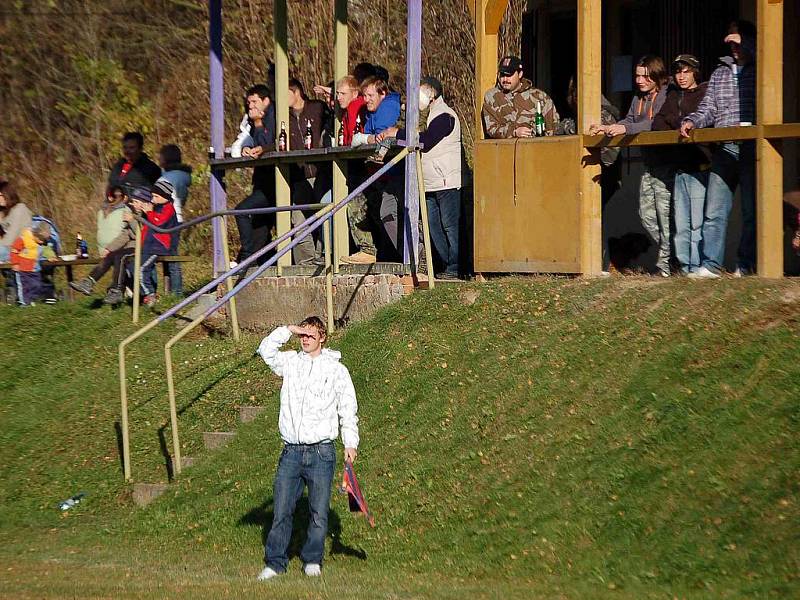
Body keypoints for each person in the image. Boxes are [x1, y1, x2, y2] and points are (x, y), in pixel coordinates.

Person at [255, 316, 359, 581]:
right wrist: (288, 330)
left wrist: (350, 443)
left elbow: (347, 408)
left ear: (322, 337)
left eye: (310, 335)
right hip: (291, 451)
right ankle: (275, 563)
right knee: (281, 509)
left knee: (318, 511)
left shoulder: (336, 369)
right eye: (302, 335)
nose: (305, 339)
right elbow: (265, 350)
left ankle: (313, 559)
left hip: (322, 452)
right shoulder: (290, 362)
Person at [682, 22, 757, 279]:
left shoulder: (761, 68)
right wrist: (692, 121)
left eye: (740, 42)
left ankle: (746, 265)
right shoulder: (720, 72)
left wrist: (746, 41)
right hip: (724, 147)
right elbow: (708, 108)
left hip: (752, 147)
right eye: (732, 43)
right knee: (714, 210)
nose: (735, 48)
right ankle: (711, 264)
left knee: (751, 210)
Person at [592, 55, 670, 275]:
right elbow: (629, 121)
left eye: (645, 76)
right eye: (637, 76)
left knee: (665, 217)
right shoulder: (638, 98)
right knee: (647, 215)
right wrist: (609, 127)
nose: (639, 80)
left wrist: (625, 129)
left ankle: (667, 265)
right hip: (650, 164)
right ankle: (669, 257)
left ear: (656, 76)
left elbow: (655, 123)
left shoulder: (665, 94)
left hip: (668, 164)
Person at [380, 77, 462, 279]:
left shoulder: (445, 116)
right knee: (433, 228)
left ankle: (456, 267)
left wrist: (396, 133)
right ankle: (445, 266)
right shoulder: (425, 118)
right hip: (429, 182)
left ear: (432, 95)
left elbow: (426, 140)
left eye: (420, 93)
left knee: (450, 227)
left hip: (446, 182)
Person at [652, 55, 709, 275]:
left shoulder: (704, 92)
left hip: (699, 163)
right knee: (681, 223)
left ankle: (696, 266)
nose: (681, 76)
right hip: (679, 165)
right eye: (678, 72)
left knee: (697, 222)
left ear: (695, 71)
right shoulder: (673, 94)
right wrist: (679, 123)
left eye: (686, 71)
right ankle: (685, 267)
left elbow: (704, 117)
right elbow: (658, 122)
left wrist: (683, 121)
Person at [350, 76, 403, 260]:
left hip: (395, 172)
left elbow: (382, 136)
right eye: (364, 95)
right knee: (375, 209)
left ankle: (407, 257)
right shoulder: (371, 112)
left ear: (382, 93)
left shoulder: (388, 107)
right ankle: (385, 254)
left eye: (370, 95)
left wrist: (363, 138)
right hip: (382, 173)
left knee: (387, 213)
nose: (366, 100)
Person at [231, 84, 277, 265]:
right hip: (263, 180)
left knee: (241, 211)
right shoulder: (251, 119)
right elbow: (246, 141)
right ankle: (252, 259)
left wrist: (258, 124)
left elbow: (268, 142)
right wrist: (246, 149)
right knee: (260, 229)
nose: (251, 106)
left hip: (276, 182)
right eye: (248, 102)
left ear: (266, 101)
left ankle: (246, 256)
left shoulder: (272, 116)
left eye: (254, 101)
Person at [69, 186, 136, 305]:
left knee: (119, 256)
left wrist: (132, 220)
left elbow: (144, 233)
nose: (133, 203)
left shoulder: (134, 214)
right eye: (133, 201)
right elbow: (125, 235)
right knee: (111, 255)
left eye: (135, 202)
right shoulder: (135, 213)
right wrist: (108, 248)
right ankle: (88, 282)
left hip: (140, 247)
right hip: (127, 247)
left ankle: (117, 290)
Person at [287, 79, 330, 265]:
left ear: (296, 92)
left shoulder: (317, 108)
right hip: (299, 175)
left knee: (323, 213)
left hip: (322, 172)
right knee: (298, 219)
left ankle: (324, 257)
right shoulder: (284, 116)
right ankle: (306, 262)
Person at [482, 56, 559, 139]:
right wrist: (514, 132)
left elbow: (553, 127)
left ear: (520, 74)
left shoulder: (540, 97)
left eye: (509, 75)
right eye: (502, 75)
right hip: (505, 149)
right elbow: (491, 129)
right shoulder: (492, 97)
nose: (505, 79)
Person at [130, 180, 178, 306]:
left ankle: (150, 294)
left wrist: (149, 212)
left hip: (158, 247)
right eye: (153, 196)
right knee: (131, 267)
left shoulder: (168, 208)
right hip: (148, 245)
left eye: (156, 196)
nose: (153, 199)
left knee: (141, 269)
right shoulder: (155, 207)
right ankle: (143, 294)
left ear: (165, 197)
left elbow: (159, 223)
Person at [158, 144, 192, 296]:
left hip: (167, 218)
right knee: (171, 253)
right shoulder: (183, 177)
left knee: (171, 255)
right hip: (178, 216)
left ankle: (176, 291)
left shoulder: (166, 178)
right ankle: (171, 290)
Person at [9, 221, 55, 306]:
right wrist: (15, 263)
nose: (41, 242)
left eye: (43, 240)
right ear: (35, 235)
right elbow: (14, 251)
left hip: (34, 268)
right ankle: (25, 303)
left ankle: (31, 299)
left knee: (36, 285)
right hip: (22, 268)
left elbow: (46, 249)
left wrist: (50, 256)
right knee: (24, 287)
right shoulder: (23, 239)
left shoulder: (41, 243)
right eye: (40, 240)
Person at [0, 180, 33, 263]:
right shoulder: (3, 212)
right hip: (9, 250)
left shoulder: (19, 209)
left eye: (1, 195)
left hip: (22, 251)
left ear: (8, 194)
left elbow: (10, 239)